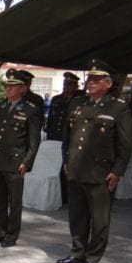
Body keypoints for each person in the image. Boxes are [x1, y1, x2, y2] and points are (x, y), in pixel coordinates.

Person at [57, 59, 132, 263]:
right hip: (76, 168)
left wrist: (117, 171)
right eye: (90, 79)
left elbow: (125, 145)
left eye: (97, 80)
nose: (91, 83)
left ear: (108, 84)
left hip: (100, 172)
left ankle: (93, 257)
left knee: (99, 219)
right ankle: (77, 252)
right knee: (77, 214)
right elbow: (67, 137)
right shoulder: (77, 104)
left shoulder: (118, 108)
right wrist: (66, 160)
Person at [0, 69, 41, 247]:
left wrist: (27, 162)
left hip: (15, 162)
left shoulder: (30, 110)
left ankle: (11, 235)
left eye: (13, 86)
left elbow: (34, 141)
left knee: (14, 201)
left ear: (22, 89)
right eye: (7, 85)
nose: (8, 88)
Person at [46, 72, 83, 204]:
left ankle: (66, 196)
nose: (66, 87)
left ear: (76, 86)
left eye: (70, 85)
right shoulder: (57, 99)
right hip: (54, 137)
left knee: (66, 168)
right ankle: (55, 193)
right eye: (65, 84)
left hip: (69, 139)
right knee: (53, 166)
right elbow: (50, 119)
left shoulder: (80, 99)